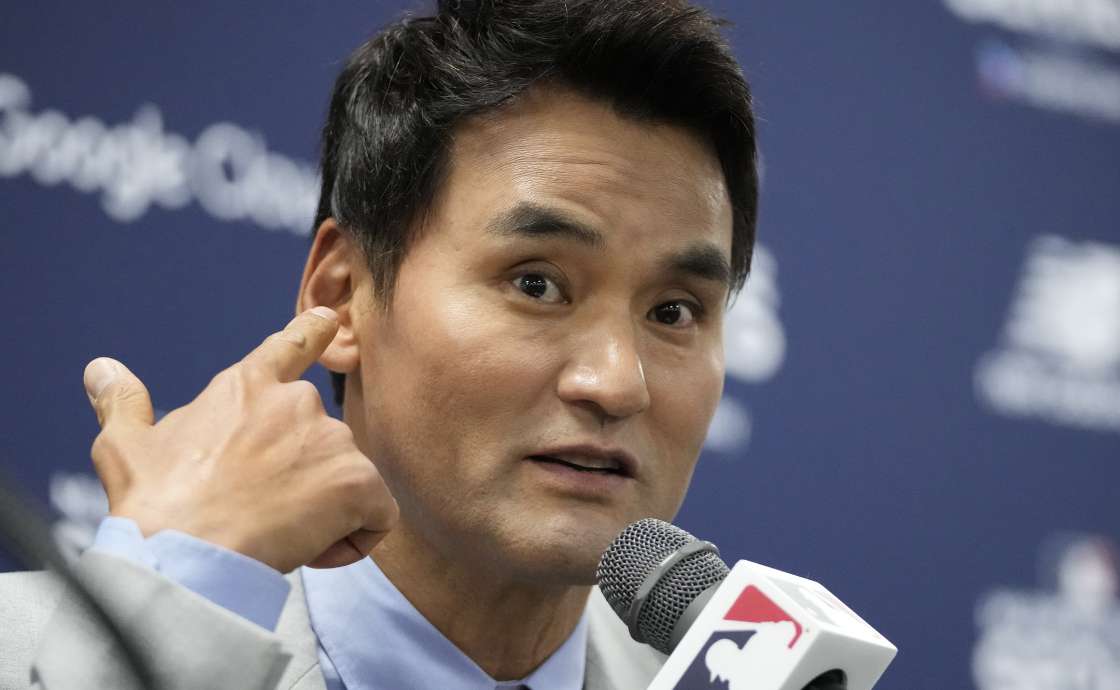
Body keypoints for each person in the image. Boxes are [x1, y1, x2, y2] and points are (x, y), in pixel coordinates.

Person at [0, 0, 758, 687]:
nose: (617, 382)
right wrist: (175, 608)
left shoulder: (730, 676)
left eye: (673, 312)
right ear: (341, 297)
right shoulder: (29, 654)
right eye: (536, 284)